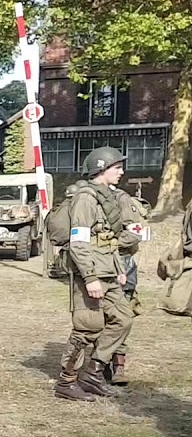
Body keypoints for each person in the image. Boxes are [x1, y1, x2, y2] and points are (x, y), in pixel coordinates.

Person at [54, 145, 134, 402]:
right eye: (117, 167)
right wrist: (90, 278)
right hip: (91, 274)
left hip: (109, 272)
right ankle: (66, 382)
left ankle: (94, 371)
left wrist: (119, 270)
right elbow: (79, 242)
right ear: (102, 168)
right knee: (88, 328)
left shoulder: (105, 196)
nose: (121, 171)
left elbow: (108, 239)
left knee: (123, 319)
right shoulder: (86, 199)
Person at [109, 186, 150, 384]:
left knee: (121, 314)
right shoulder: (87, 196)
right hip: (96, 265)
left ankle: (118, 365)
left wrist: (108, 244)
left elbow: (135, 233)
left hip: (122, 262)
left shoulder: (121, 199)